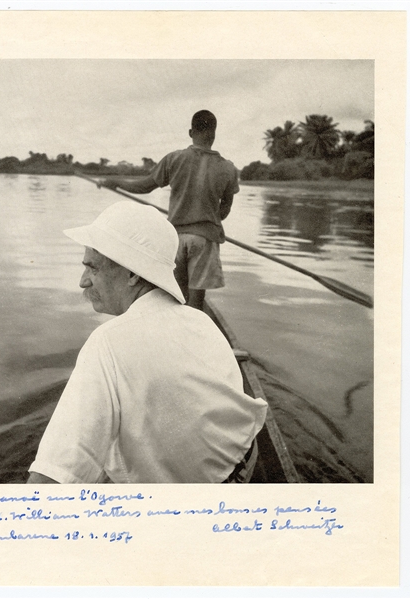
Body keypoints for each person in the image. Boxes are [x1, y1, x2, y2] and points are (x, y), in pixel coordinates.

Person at [27, 201, 267, 484]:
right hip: (248, 469)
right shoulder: (200, 321)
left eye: (93, 268)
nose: (83, 282)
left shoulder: (107, 342)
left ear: (133, 274)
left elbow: (51, 477)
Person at [100, 110, 239, 310]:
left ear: (191, 132)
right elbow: (225, 210)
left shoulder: (174, 159)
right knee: (196, 302)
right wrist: (207, 218)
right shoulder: (228, 168)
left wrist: (116, 183)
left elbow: (144, 186)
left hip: (174, 239)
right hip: (204, 239)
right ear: (214, 134)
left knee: (175, 294)